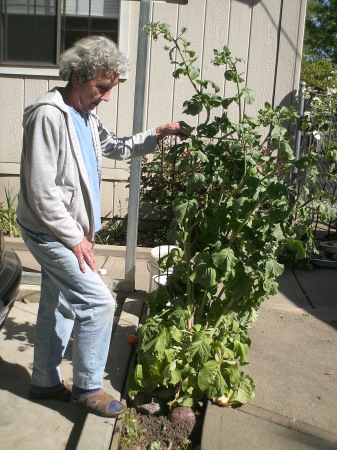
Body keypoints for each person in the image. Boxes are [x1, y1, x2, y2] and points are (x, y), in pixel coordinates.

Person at [16, 35, 191, 418]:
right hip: (51, 231)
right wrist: (76, 238)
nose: (106, 97)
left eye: (109, 88)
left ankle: (44, 381)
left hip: (68, 230)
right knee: (97, 301)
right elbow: (40, 192)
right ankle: (87, 387)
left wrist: (157, 136)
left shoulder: (85, 115)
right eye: (102, 87)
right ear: (77, 75)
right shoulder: (48, 115)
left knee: (58, 305)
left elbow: (114, 147)